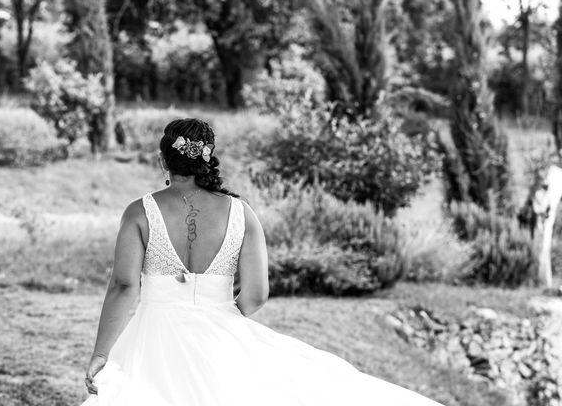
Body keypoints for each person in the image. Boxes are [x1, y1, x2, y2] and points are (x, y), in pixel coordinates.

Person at [81, 118, 445, 406]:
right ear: (206, 160)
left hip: (153, 336)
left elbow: (125, 286)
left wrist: (101, 353)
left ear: (163, 160)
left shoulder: (139, 212)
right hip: (222, 334)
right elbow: (255, 295)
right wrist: (221, 320)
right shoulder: (242, 213)